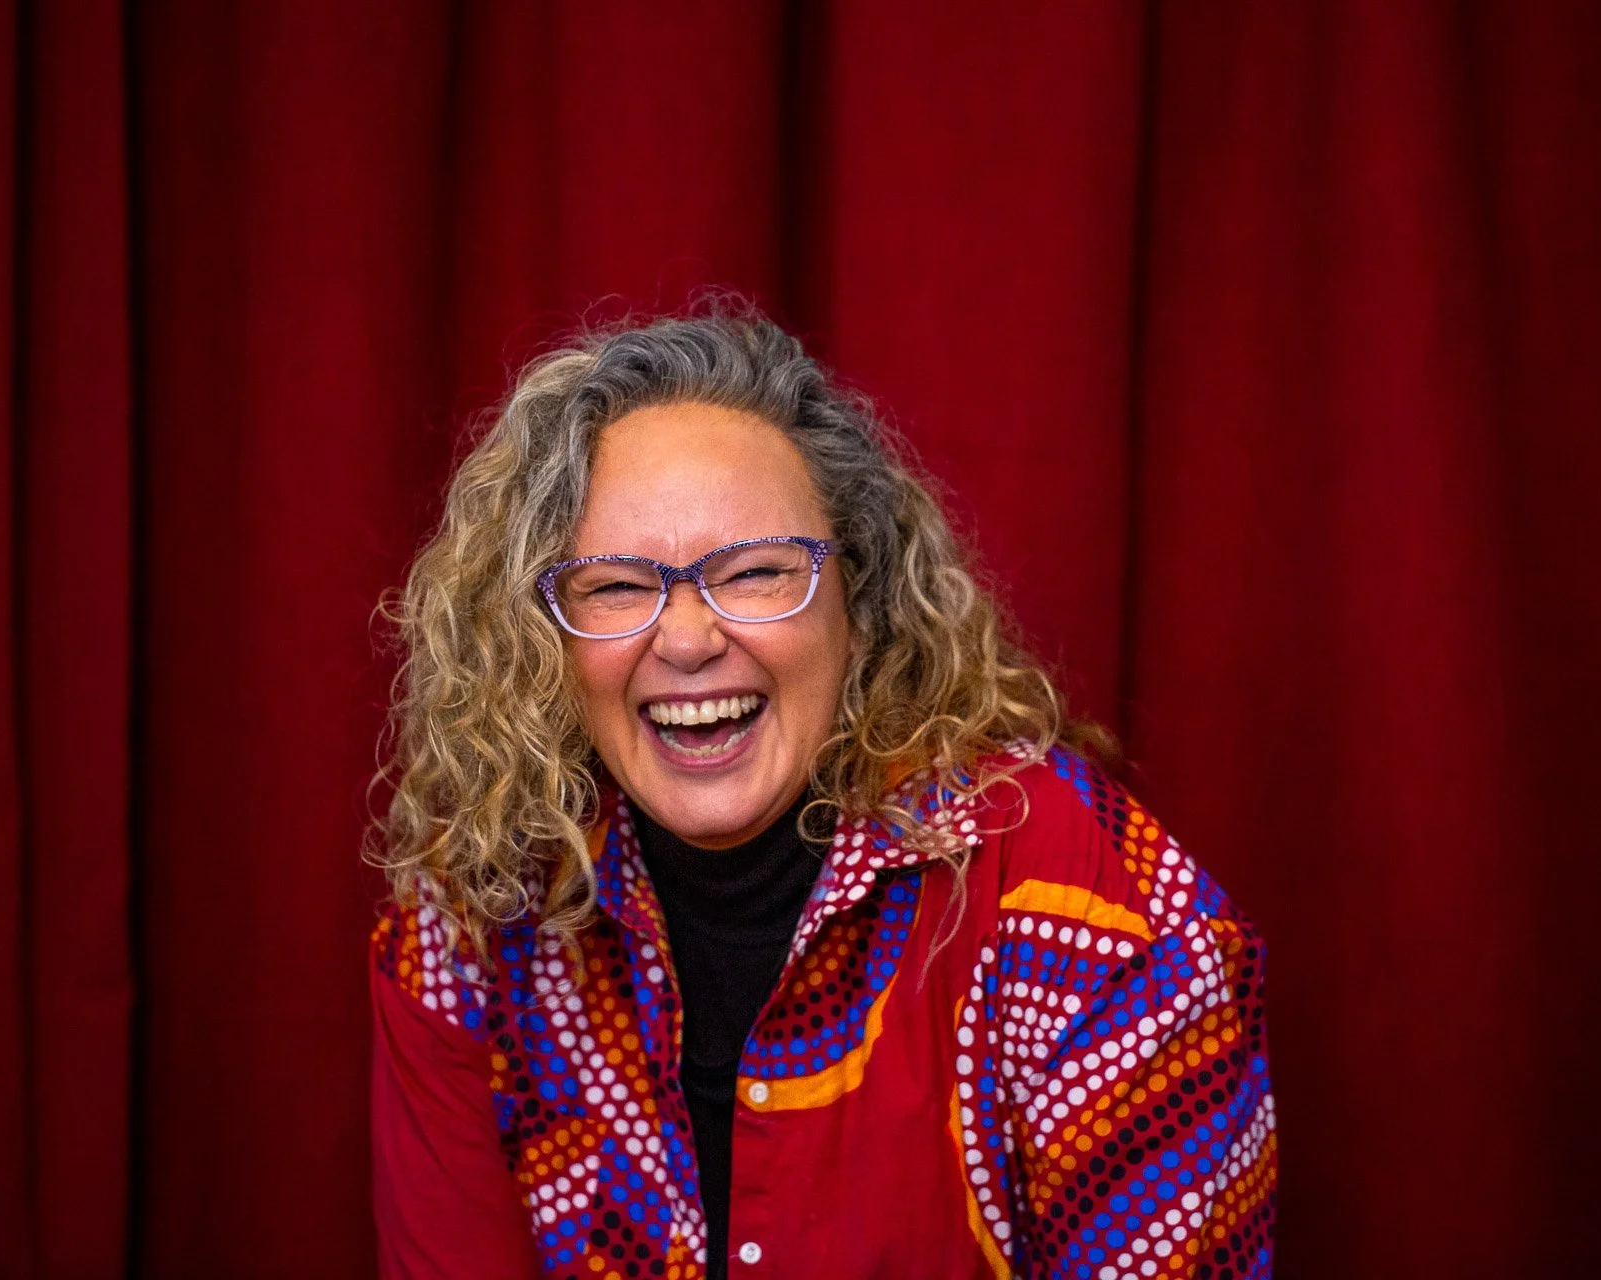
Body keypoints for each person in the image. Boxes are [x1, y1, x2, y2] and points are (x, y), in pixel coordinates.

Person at [369, 306, 1277, 1279]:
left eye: (756, 572)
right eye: (617, 586)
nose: (685, 639)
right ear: (544, 631)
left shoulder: (1097, 910)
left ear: (864, 603)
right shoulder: (466, 929)